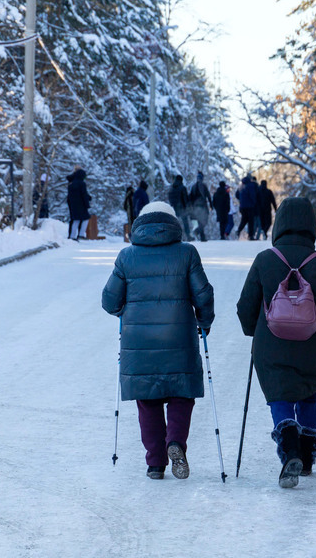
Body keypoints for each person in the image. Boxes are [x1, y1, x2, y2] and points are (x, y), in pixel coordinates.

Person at [236, 197, 316, 488]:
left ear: (280, 226)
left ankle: (289, 447)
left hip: (271, 342)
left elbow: (245, 305)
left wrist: (252, 330)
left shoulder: (265, 259)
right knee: (309, 391)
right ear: (311, 227)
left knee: (279, 394)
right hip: (314, 344)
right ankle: (308, 457)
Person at [102, 201, 215, 480]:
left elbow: (108, 301)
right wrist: (205, 321)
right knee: (181, 392)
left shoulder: (126, 256)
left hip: (139, 341)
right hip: (179, 336)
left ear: (141, 223)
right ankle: (175, 441)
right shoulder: (187, 253)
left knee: (148, 400)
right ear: (172, 223)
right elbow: (203, 295)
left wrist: (124, 313)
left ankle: (155, 463)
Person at [66, 168, 91, 240]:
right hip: (81, 204)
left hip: (73, 205)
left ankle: (72, 236)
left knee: (76, 220)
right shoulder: (82, 184)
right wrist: (87, 204)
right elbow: (84, 194)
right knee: (86, 218)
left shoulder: (71, 184)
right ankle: (81, 234)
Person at [189, 171, 213, 241]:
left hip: (195, 207)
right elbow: (208, 196)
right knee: (204, 221)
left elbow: (190, 197)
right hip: (203, 206)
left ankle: (202, 237)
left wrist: (191, 207)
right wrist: (211, 205)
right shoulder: (204, 185)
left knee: (200, 221)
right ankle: (197, 231)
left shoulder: (193, 186)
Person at [168, 175, 192, 241]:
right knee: (185, 223)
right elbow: (185, 199)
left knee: (175, 224)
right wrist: (187, 207)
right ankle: (188, 236)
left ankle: (173, 238)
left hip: (174, 209)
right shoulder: (182, 188)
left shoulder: (171, 188)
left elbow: (170, 198)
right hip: (182, 209)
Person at [235, 175, 259, 240]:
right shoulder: (250, 185)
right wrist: (254, 202)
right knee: (251, 221)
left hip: (242, 207)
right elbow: (252, 195)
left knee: (244, 219)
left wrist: (242, 200)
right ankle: (250, 236)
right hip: (250, 206)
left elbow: (236, 195)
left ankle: (238, 230)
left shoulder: (241, 186)